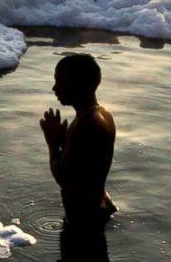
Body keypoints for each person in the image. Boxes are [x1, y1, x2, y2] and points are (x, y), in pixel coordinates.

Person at [39, 53, 117, 227]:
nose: (54, 88)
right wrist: (63, 142)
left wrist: (52, 144)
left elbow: (64, 178)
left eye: (59, 81)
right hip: (98, 208)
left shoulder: (87, 124)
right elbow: (85, 167)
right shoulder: (102, 114)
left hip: (85, 220)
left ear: (76, 84)